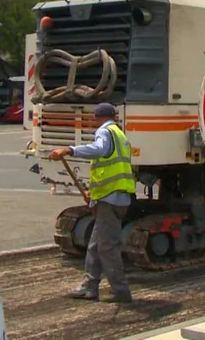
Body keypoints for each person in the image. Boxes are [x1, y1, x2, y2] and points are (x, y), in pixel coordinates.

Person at [48, 102, 136, 303]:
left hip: (110, 199)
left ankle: (121, 291)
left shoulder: (105, 131)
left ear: (97, 117)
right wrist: (94, 193)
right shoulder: (121, 135)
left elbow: (99, 150)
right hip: (116, 197)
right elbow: (110, 170)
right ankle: (90, 286)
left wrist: (69, 150)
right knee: (96, 245)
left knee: (107, 247)